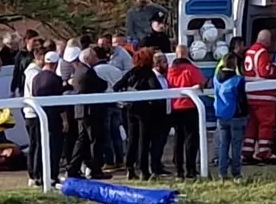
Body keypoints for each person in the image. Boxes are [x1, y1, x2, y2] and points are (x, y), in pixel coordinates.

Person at [114, 48, 163, 180]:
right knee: (144, 141)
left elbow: (117, 86)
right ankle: (143, 170)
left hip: (130, 109)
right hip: (145, 111)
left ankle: (130, 168)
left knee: (132, 139)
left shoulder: (131, 73)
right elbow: (156, 90)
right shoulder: (149, 74)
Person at [67, 48, 112, 180]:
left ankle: (73, 168)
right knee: (94, 140)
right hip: (90, 112)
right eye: (94, 56)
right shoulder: (87, 72)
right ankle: (95, 169)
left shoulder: (79, 71)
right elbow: (101, 85)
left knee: (83, 141)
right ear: (87, 58)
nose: (96, 58)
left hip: (82, 111)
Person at [27, 50, 67, 188]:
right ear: (55, 64)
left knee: (39, 144)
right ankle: (52, 175)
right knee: (54, 146)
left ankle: (38, 175)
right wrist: (65, 120)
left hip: (39, 115)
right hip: (53, 117)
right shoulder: (55, 79)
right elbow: (59, 101)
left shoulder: (36, 78)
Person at [167, 45, 206, 179]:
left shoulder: (170, 70)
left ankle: (178, 170)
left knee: (178, 139)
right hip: (190, 107)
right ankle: (191, 168)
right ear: (187, 53)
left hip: (175, 108)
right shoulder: (192, 69)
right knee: (191, 139)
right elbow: (201, 83)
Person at [243, 29, 276, 163]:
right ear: (265, 40)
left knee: (252, 124)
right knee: (266, 124)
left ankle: (247, 151)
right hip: (263, 94)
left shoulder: (250, 51)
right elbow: (265, 71)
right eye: (269, 40)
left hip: (250, 94)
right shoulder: (262, 52)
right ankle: (264, 152)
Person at [211, 52, 249, 180]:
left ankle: (222, 172)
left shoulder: (216, 78)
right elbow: (242, 100)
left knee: (223, 145)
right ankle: (236, 172)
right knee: (236, 146)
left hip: (221, 114)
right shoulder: (238, 80)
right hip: (236, 115)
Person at [88, 46, 127, 168]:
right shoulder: (115, 70)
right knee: (117, 133)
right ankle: (120, 159)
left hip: (104, 104)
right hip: (117, 103)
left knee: (106, 134)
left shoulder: (95, 71)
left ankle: (109, 161)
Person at [10, 31, 40, 97]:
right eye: (34, 40)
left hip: (36, 83)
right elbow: (16, 71)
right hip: (23, 85)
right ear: (27, 41)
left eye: (38, 40)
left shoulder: (39, 53)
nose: (37, 43)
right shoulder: (21, 54)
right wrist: (13, 88)